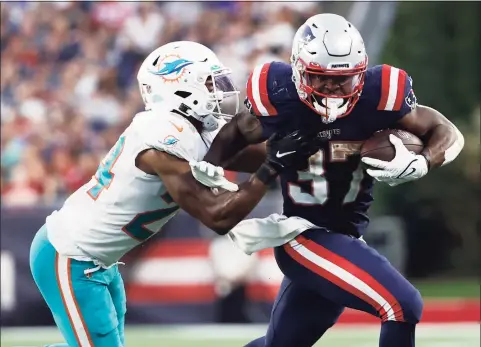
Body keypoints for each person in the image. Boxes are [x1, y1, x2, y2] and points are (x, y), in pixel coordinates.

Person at [29, 41, 320, 347]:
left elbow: (259, 153)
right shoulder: (161, 138)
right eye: (209, 83)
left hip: (99, 260)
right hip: (70, 254)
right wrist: (273, 166)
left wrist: (331, 154)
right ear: (179, 88)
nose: (218, 90)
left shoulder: (193, 129)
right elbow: (217, 216)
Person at [203, 14, 464, 347]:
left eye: (344, 80)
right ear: (298, 69)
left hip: (346, 238)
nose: (333, 90)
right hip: (301, 236)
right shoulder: (278, 95)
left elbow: (446, 131)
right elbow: (233, 134)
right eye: (321, 78)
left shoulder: (380, 95)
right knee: (401, 305)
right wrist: (206, 172)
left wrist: (423, 161)